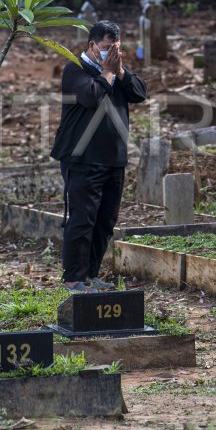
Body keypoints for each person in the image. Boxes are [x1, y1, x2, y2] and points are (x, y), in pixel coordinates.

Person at [50, 20, 148, 292]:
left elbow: (140, 92)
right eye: (106, 48)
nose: (111, 53)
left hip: (112, 158)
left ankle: (91, 274)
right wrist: (107, 73)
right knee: (83, 218)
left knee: (105, 221)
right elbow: (91, 96)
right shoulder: (74, 69)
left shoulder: (115, 71)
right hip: (81, 158)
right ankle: (73, 278)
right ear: (92, 46)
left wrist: (119, 71)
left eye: (116, 48)